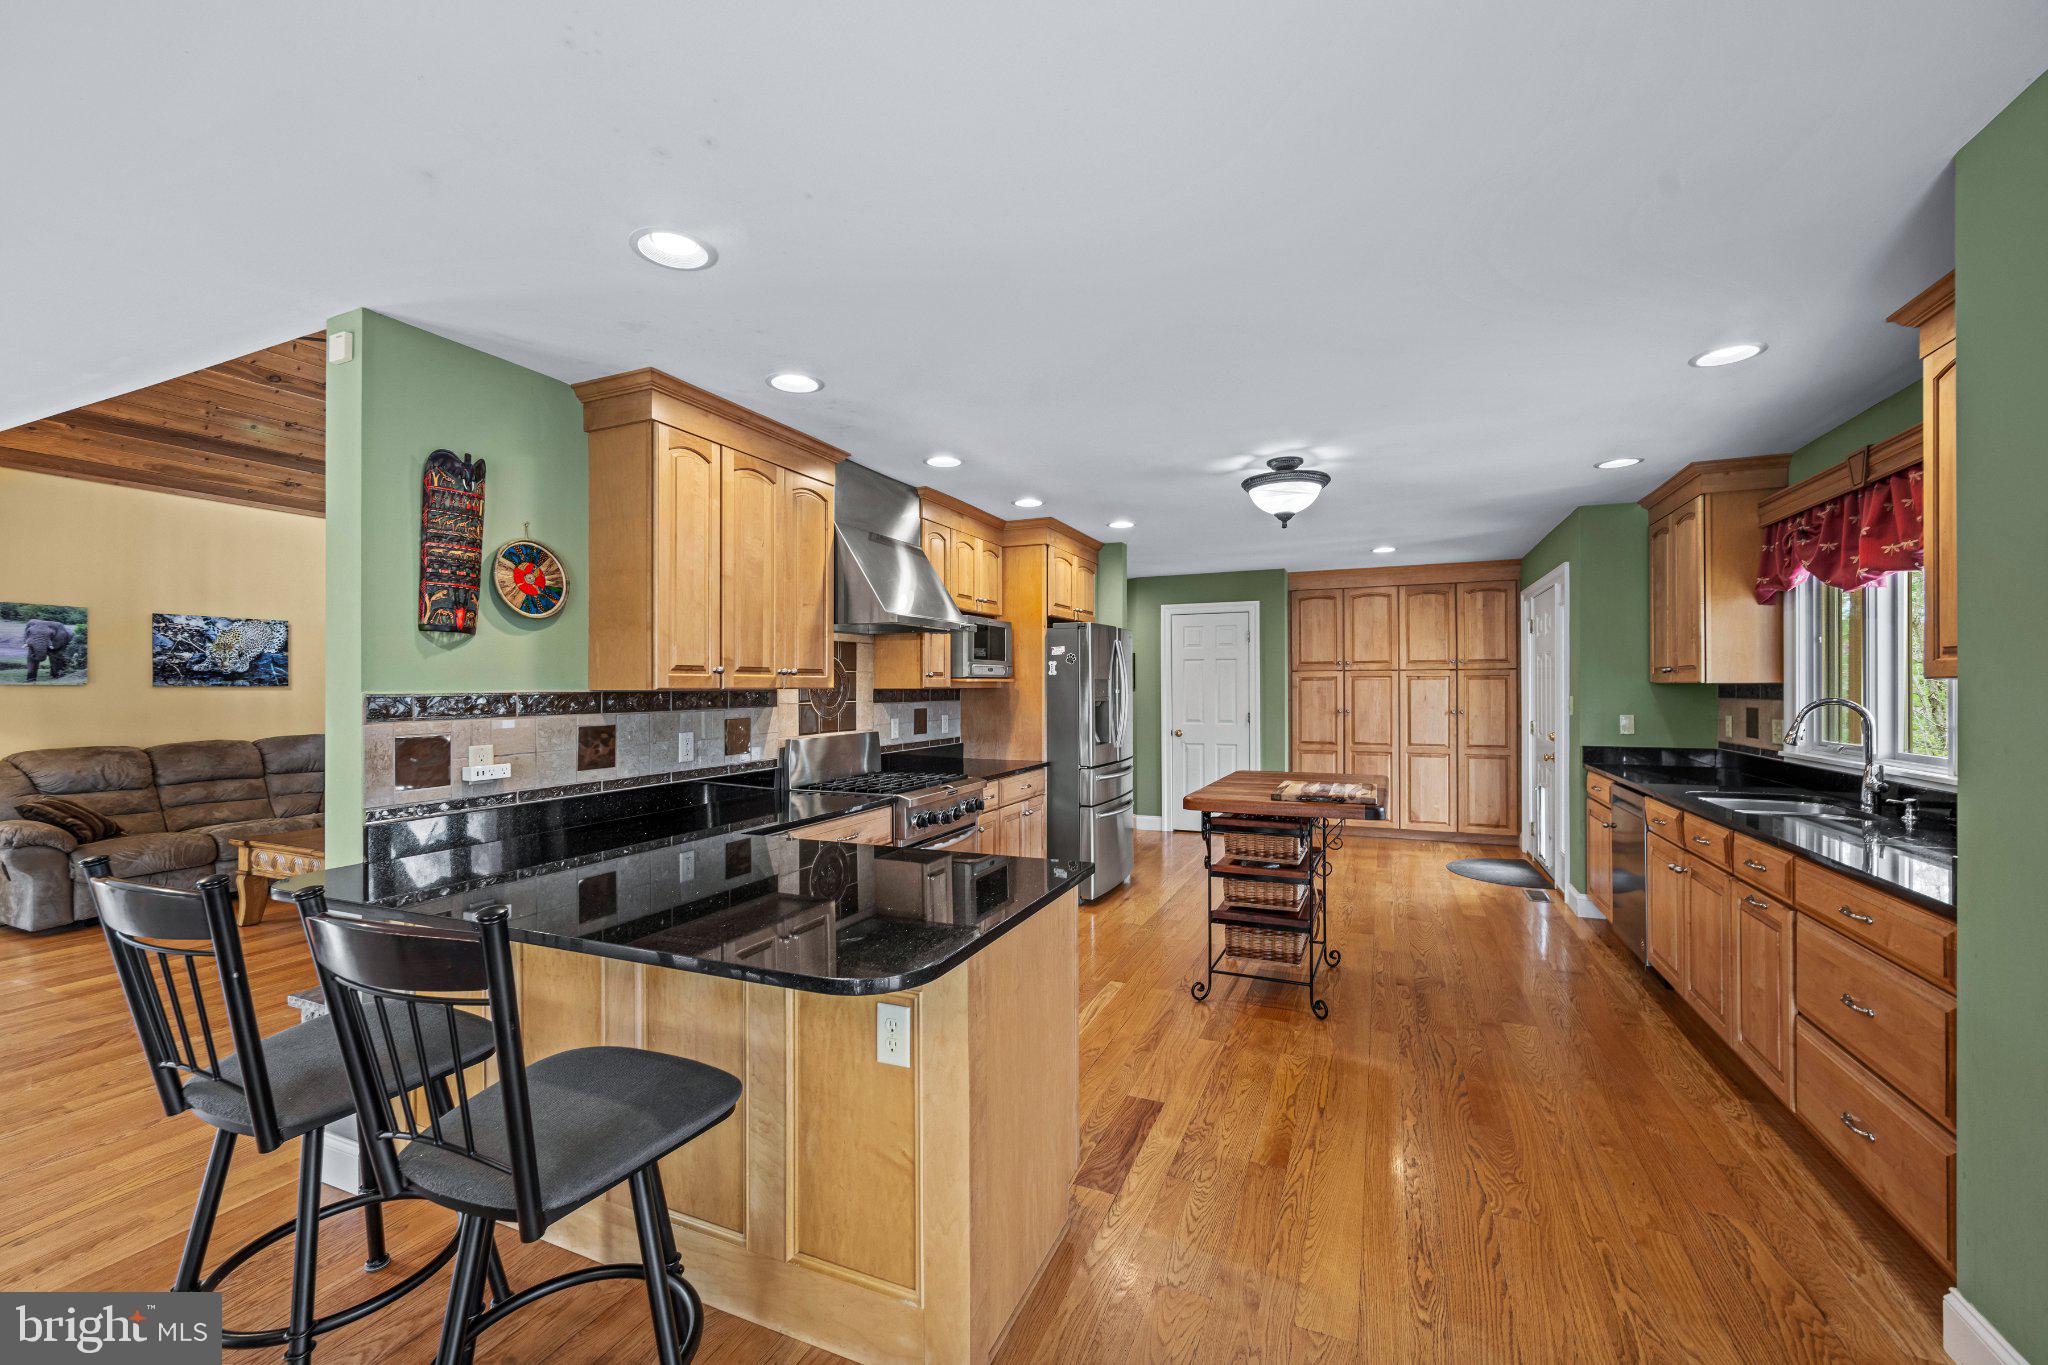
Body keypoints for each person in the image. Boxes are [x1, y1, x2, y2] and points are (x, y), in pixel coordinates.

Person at [23, 618, 75, 682]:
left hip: (56, 645)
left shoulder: (62, 634)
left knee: (56, 660)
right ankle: (31, 677)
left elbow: (58, 651)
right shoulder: (31, 629)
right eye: (29, 631)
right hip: (35, 642)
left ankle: (56, 674)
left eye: (51, 633)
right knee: (32, 658)